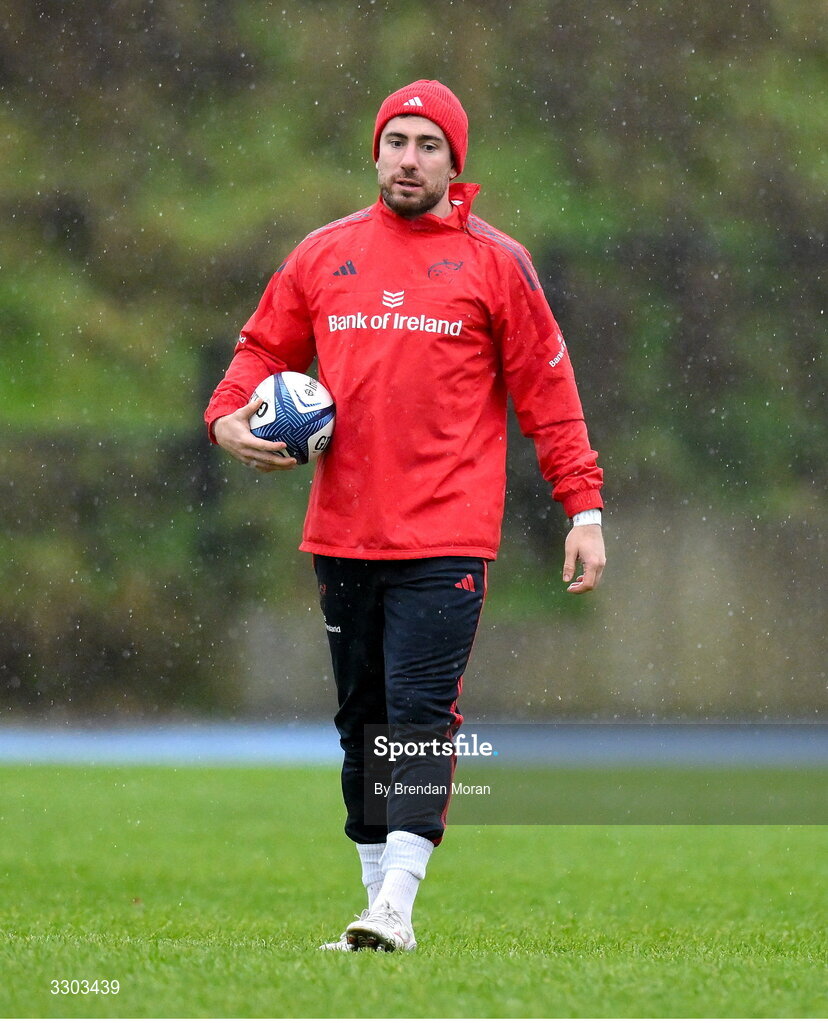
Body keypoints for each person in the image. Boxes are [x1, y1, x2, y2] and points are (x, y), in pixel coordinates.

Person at [204, 79, 605, 952]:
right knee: (362, 719)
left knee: (419, 713)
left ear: (456, 160)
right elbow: (263, 348)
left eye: (428, 144)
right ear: (375, 152)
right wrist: (227, 416)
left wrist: (583, 505)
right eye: (397, 142)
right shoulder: (323, 253)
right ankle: (369, 906)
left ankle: (398, 905)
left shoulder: (496, 262)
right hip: (342, 532)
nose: (409, 159)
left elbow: (548, 389)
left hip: (447, 534)